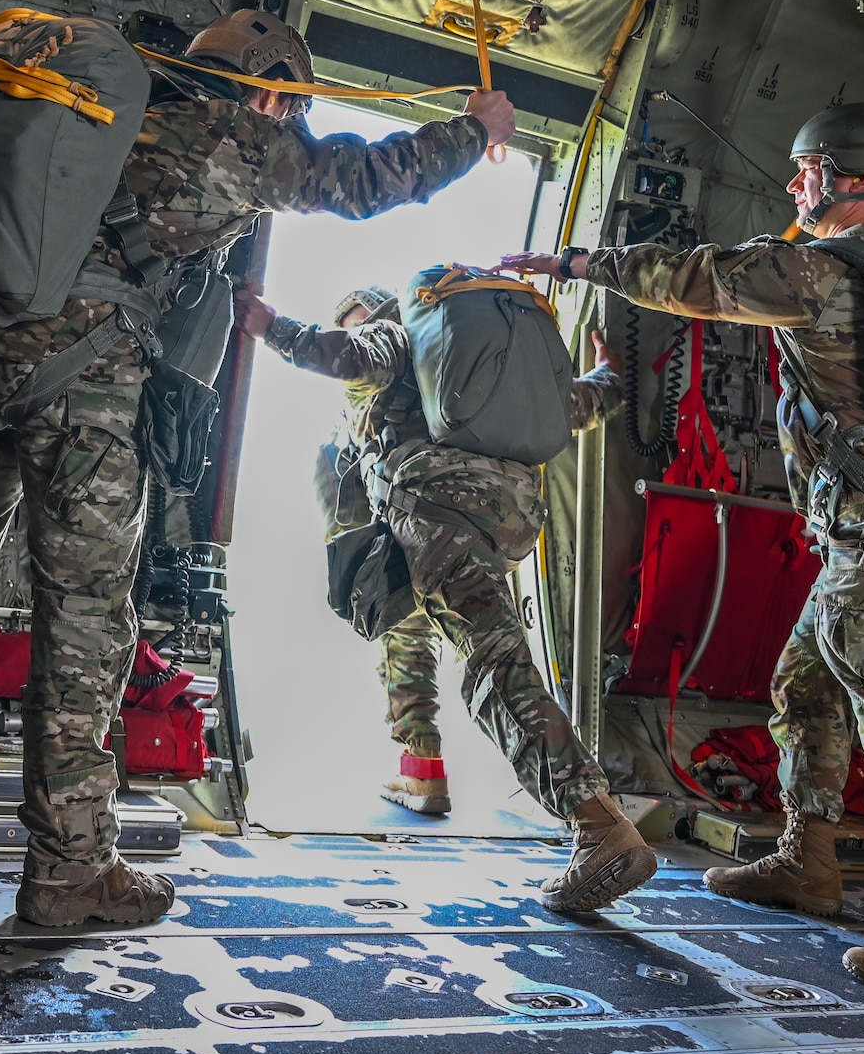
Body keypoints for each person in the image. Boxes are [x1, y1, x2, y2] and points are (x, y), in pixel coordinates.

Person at [0, 9, 519, 927]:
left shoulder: (98, 116)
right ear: (267, 87)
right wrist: (477, 129)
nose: (283, 120)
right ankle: (68, 870)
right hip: (80, 391)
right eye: (284, 103)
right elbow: (367, 180)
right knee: (88, 622)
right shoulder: (227, 134)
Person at [500, 39, 864, 1011]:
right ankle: (805, 859)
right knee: (803, 689)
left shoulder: (815, 272)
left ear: (831, 178)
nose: (792, 181)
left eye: (802, 169)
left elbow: (686, 275)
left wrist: (573, 261)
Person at [236, 280, 660, 913]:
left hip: (440, 516)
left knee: (495, 669)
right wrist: (608, 371)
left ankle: (597, 824)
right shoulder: (466, 368)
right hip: (506, 518)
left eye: (357, 318)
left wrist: (270, 325)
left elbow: (346, 356)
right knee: (485, 648)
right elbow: (573, 406)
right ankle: (437, 772)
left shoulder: (393, 338)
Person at [318, 286, 453, 815]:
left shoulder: (374, 402)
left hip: (413, 530)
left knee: (406, 647)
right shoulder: (442, 376)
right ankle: (571, 795)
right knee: (494, 657)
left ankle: (424, 773)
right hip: (472, 528)